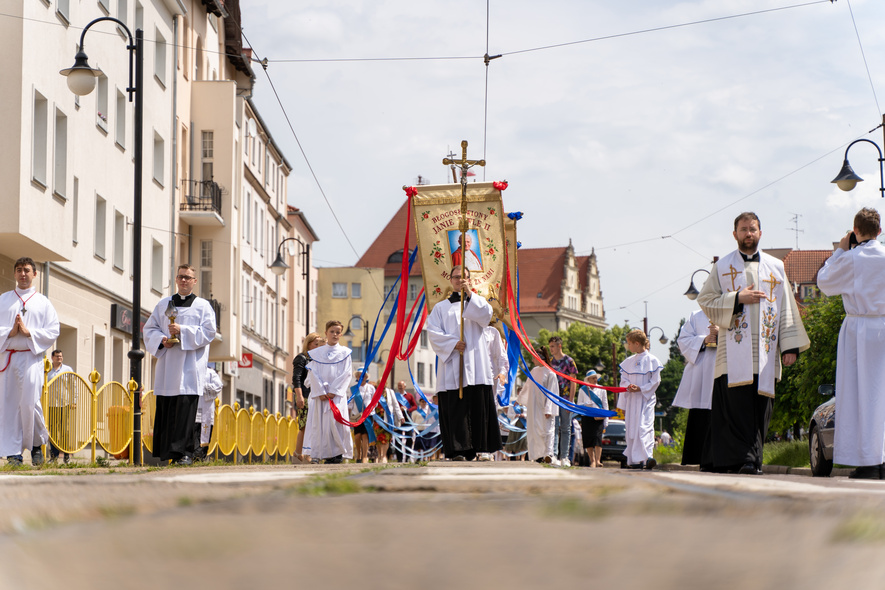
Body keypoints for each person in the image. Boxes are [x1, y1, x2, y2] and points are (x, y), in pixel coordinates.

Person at [698, 212, 809, 475]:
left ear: (761, 233)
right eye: (743, 229)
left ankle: (751, 459)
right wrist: (737, 298)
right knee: (737, 409)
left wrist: (790, 346)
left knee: (760, 409)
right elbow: (705, 300)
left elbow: (787, 308)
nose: (748, 233)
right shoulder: (722, 266)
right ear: (734, 234)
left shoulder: (776, 266)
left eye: (753, 229)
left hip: (766, 352)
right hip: (732, 354)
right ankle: (746, 459)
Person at [817, 207, 885, 479]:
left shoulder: (852, 258)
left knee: (860, 395)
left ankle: (869, 462)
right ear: (880, 231)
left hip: (859, 329)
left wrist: (841, 250)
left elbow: (824, 282)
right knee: (881, 395)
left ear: (855, 232)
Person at [144, 264, 217, 465]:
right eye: (181, 277)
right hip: (168, 367)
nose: (184, 280)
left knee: (185, 413)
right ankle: (167, 453)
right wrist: (162, 339)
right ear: (176, 280)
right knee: (167, 411)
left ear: (194, 281)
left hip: (190, 369)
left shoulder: (203, 306)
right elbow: (150, 329)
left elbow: (209, 333)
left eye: (188, 277)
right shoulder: (164, 304)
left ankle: (185, 453)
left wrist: (182, 331)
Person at [426, 266, 501, 461]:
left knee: (476, 406)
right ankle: (458, 450)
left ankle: (478, 447)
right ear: (450, 280)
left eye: (464, 277)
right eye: (457, 277)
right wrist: (452, 344)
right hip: (453, 364)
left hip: (476, 364)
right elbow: (433, 333)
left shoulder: (477, 302)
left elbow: (486, 316)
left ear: (470, 279)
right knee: (456, 409)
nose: (460, 280)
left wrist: (469, 294)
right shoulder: (441, 308)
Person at [0, 258, 59, 466]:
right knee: (8, 405)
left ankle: (36, 445)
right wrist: (10, 332)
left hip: (31, 357)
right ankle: (13, 453)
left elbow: (53, 330)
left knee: (29, 403)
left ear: (35, 274)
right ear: (14, 274)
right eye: (19, 270)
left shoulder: (43, 302)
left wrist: (29, 333)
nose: (22, 274)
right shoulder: (4, 299)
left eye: (26, 270)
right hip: (7, 358)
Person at [304, 320, 354, 464]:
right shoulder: (316, 353)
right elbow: (313, 372)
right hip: (321, 396)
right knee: (322, 425)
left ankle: (337, 453)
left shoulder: (345, 353)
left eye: (338, 332)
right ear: (326, 333)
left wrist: (334, 391)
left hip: (336, 396)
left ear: (341, 334)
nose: (335, 334)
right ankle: (323, 453)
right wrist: (320, 391)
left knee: (337, 423)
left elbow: (346, 373)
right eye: (332, 331)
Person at [672, 309, 718, 468]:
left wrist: (721, 335)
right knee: (701, 412)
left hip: (723, 366)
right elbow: (683, 339)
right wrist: (704, 340)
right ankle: (697, 456)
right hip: (702, 369)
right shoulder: (697, 315)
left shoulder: (732, 310)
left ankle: (720, 458)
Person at [618, 330, 662, 470]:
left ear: (637, 343)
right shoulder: (628, 362)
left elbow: (655, 381)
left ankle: (647, 457)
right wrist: (628, 386)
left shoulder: (653, 361)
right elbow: (623, 380)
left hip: (646, 400)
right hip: (632, 400)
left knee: (644, 427)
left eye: (629, 343)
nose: (628, 346)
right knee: (632, 428)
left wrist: (641, 389)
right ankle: (634, 460)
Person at [521, 345, 558, 463]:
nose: (532, 360)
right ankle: (537, 455)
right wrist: (519, 399)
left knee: (547, 431)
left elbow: (552, 392)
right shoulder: (534, 371)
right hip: (534, 408)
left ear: (539, 358)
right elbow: (527, 386)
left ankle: (548, 454)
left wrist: (549, 409)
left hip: (545, 408)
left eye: (533, 357)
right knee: (534, 431)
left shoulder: (550, 373)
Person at [291, 332, 325, 464]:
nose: (318, 346)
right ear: (308, 344)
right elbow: (296, 378)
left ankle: (303, 453)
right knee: (305, 425)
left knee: (314, 425)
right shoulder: (302, 358)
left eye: (320, 344)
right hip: (304, 395)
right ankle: (301, 453)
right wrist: (299, 396)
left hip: (316, 396)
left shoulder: (318, 359)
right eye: (315, 344)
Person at [548, 335, 578, 467]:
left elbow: (573, 382)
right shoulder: (549, 361)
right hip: (553, 399)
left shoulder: (569, 361)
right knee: (553, 428)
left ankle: (564, 457)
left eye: (553, 346)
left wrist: (570, 401)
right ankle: (553, 455)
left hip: (565, 399)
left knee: (566, 428)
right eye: (549, 347)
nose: (551, 349)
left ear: (559, 346)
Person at [46, 349, 74, 463]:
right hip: (51, 404)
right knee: (52, 431)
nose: (59, 358)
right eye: (57, 356)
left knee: (64, 430)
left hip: (64, 403)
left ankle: (66, 455)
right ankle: (53, 456)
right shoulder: (47, 370)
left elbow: (74, 386)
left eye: (61, 356)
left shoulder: (68, 369)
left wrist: (74, 400)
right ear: (52, 358)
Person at [577, 370, 607, 468]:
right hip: (587, 417)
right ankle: (592, 460)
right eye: (593, 378)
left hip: (599, 417)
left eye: (596, 378)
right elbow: (578, 405)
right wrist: (586, 405)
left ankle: (598, 460)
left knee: (598, 439)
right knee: (588, 439)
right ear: (588, 379)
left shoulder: (602, 389)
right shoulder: (582, 390)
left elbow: (605, 405)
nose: (595, 380)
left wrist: (606, 420)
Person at [194, 365, 223, 461]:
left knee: (204, 433)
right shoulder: (190, 370)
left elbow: (218, 386)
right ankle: (191, 456)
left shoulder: (210, 372)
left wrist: (203, 386)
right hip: (192, 409)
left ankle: (201, 456)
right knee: (192, 433)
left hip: (205, 409)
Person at [349, 370, 375, 464]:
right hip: (356, 415)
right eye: (359, 376)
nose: (361, 377)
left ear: (366, 377)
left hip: (368, 415)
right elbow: (350, 402)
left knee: (365, 435)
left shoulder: (371, 388)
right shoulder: (353, 389)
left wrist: (371, 409)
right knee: (357, 435)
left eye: (363, 376)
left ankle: (364, 456)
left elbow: (374, 400)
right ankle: (358, 454)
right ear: (356, 377)